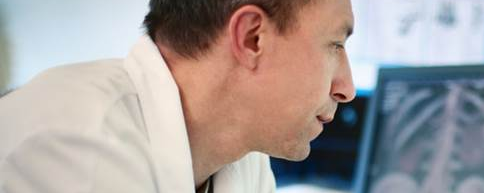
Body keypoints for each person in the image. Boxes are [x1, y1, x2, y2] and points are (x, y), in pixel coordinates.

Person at [0, 0, 356, 192]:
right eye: (335, 44)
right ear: (252, 37)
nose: (347, 87)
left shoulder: (243, 160)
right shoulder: (77, 148)